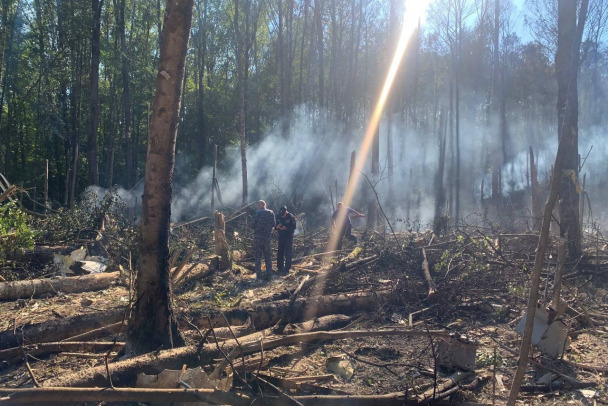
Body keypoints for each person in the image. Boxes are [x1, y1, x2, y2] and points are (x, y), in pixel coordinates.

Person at [251, 200, 276, 280]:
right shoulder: (271, 212)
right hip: (267, 238)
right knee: (268, 256)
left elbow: (252, 225)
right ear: (265, 205)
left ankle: (259, 275)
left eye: (258, 205)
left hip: (258, 238)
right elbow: (274, 224)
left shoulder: (257, 213)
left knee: (258, 257)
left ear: (259, 205)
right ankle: (269, 274)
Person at [275, 205, 296, 275]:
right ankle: (280, 267)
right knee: (280, 251)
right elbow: (275, 225)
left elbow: (294, 227)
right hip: (281, 236)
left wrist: (286, 227)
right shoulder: (278, 216)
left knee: (288, 252)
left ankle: (287, 268)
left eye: (283, 214)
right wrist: (277, 227)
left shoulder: (290, 216)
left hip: (288, 236)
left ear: (286, 211)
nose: (282, 216)